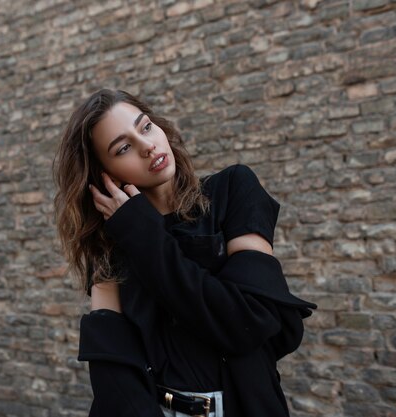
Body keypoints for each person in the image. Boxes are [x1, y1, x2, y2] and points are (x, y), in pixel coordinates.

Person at [52, 88, 317, 416]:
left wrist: (143, 232)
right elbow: (114, 377)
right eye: (123, 148)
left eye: (146, 127)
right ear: (105, 176)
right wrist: (132, 229)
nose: (147, 146)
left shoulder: (233, 190)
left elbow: (250, 321)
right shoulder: (110, 245)